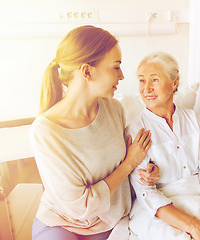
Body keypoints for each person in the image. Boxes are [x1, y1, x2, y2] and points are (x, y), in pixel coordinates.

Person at [29, 25, 153, 240]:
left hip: (111, 222)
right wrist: (129, 164)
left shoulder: (114, 109)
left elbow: (130, 164)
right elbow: (81, 206)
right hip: (62, 224)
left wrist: (148, 172)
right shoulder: (46, 132)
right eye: (116, 67)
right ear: (87, 71)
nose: (122, 76)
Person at [128, 51, 200, 240]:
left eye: (154, 80)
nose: (146, 89)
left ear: (174, 82)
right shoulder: (136, 129)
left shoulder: (195, 120)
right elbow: (145, 191)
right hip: (164, 206)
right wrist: (192, 226)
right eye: (142, 81)